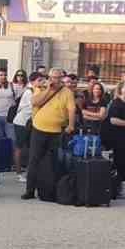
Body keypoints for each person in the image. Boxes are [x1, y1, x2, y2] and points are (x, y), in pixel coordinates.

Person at [21, 68, 75, 201]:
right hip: (39, 128)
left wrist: (71, 125)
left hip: (56, 131)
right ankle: (30, 190)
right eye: (53, 77)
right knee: (34, 159)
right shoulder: (41, 87)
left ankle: (49, 189)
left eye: (59, 77)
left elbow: (71, 109)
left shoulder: (67, 92)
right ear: (49, 77)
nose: (56, 80)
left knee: (52, 161)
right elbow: (35, 102)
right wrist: (49, 90)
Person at [103, 83, 125, 198]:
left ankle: (123, 186)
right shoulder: (116, 103)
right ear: (120, 90)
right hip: (117, 138)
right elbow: (113, 120)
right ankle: (118, 187)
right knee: (120, 162)